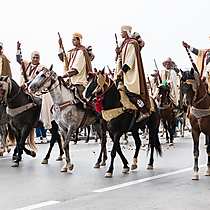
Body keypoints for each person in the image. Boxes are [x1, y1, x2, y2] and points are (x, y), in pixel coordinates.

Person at [16, 42, 52, 143]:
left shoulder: (42, 67)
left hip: (36, 91)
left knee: (41, 109)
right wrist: (18, 49)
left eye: (37, 57)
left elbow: (40, 80)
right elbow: (19, 60)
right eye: (34, 57)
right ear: (31, 58)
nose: (35, 59)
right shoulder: (26, 64)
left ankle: (44, 134)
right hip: (25, 91)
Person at [115, 25, 150, 122]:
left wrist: (122, 71)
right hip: (122, 74)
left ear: (126, 32)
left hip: (130, 73)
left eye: (122, 31)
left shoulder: (132, 43)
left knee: (131, 93)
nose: (121, 33)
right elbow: (120, 59)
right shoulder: (124, 44)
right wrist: (118, 53)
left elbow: (130, 60)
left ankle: (144, 111)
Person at [58, 33, 93, 106]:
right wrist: (60, 46)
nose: (72, 41)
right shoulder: (71, 52)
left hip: (79, 83)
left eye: (74, 40)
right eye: (72, 40)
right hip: (70, 83)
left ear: (79, 40)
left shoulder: (82, 52)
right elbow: (63, 59)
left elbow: (76, 70)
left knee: (84, 103)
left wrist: (64, 76)